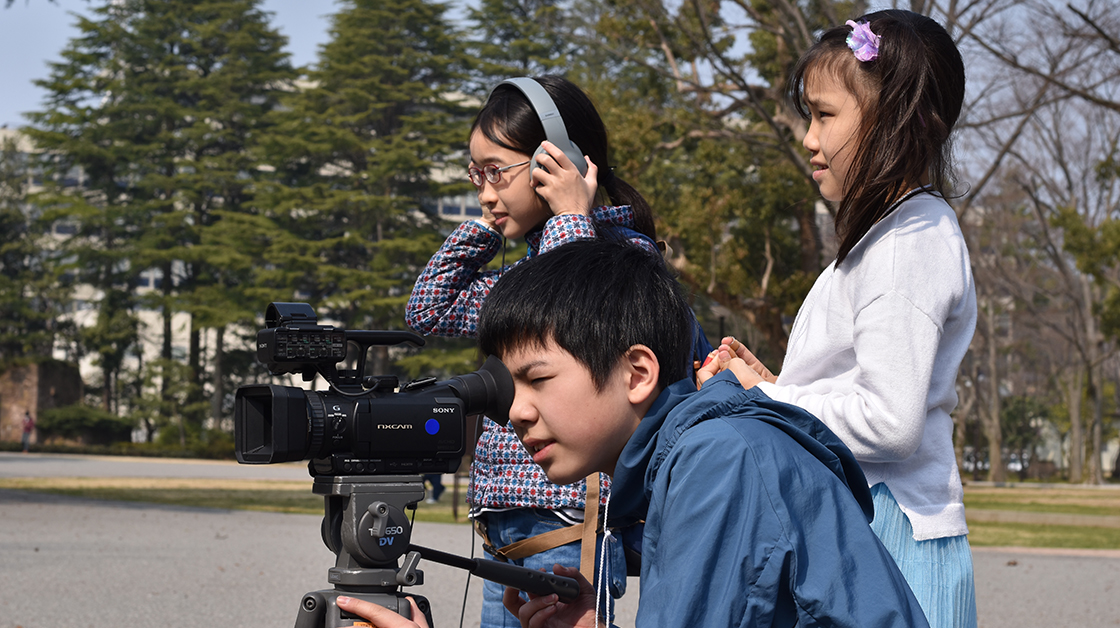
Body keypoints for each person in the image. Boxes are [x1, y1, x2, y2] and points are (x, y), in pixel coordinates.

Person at [345, 239, 929, 628]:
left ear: (637, 373)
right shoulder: (699, 454)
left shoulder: (719, 462)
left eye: (537, 379)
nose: (515, 412)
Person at [708, 10, 977, 628]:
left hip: (891, 543)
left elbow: (889, 421)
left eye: (825, 115)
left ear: (897, 122)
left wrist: (769, 402)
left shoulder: (907, 245)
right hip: (873, 532)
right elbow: (865, 391)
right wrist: (777, 389)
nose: (808, 136)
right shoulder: (888, 238)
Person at [405, 75, 688, 627]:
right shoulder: (526, 272)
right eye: (475, 174)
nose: (483, 191)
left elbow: (576, 319)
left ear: (556, 163)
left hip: (566, 523)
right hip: (506, 523)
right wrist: (486, 231)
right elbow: (428, 311)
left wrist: (569, 218)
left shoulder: (621, 257)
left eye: (495, 172)